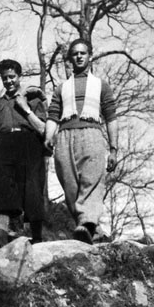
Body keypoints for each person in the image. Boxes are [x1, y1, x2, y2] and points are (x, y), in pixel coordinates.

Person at [44, 38, 118, 244]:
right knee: (70, 186)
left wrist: (114, 149)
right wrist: (48, 137)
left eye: (82, 53)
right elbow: (53, 115)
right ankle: (92, 230)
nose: (78, 56)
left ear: (90, 56)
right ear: (70, 58)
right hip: (65, 135)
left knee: (92, 181)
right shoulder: (61, 88)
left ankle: (86, 224)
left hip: (91, 133)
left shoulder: (101, 85)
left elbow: (111, 117)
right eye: (75, 53)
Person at [0, 59, 47, 250]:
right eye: (5, 78)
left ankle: (37, 237)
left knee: (32, 187)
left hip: (28, 143)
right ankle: (1, 234)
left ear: (19, 76)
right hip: (3, 144)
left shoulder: (34, 99)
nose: (9, 81)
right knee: (1, 185)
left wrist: (25, 108)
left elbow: (43, 128)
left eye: (12, 77)